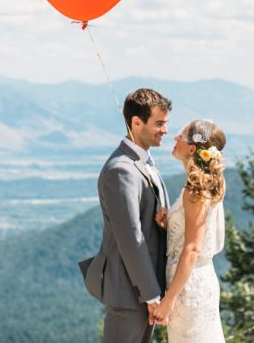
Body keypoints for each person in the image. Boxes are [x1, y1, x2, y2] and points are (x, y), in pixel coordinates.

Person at [79, 88, 171, 343]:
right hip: (129, 293)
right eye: (159, 123)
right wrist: (152, 295)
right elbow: (131, 237)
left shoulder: (143, 162)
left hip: (144, 291)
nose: (165, 130)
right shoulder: (121, 170)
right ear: (136, 122)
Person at [152, 119, 227, 342]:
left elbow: (193, 248)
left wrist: (169, 300)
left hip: (188, 289)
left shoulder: (195, 190)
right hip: (196, 282)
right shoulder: (205, 183)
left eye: (181, 136)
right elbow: (194, 234)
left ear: (192, 149)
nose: (175, 138)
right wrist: (169, 226)